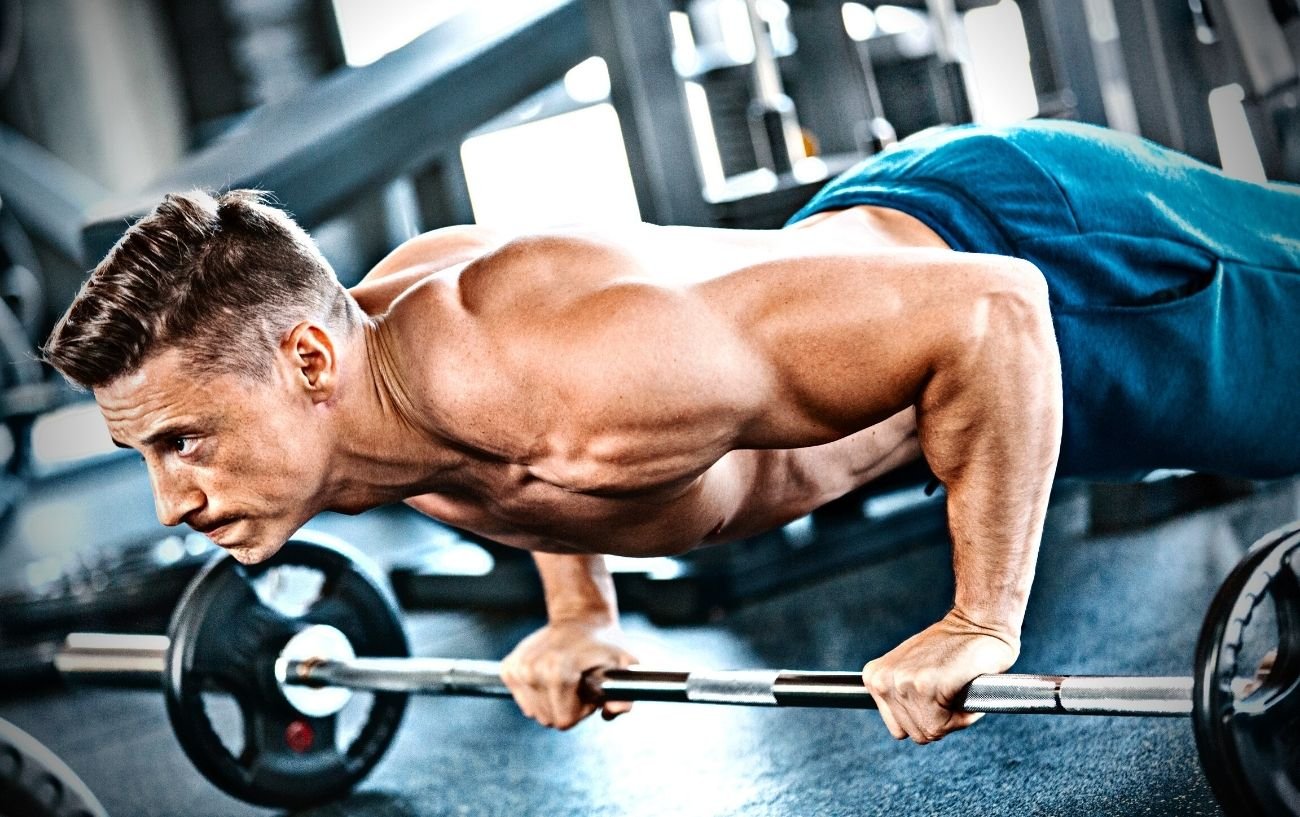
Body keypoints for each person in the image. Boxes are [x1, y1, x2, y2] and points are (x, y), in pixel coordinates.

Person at [42, 119, 1300, 745]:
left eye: (183, 442)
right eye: (145, 455)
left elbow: (993, 312)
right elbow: (499, 459)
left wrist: (981, 617)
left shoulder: (584, 369)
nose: (169, 503)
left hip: (1046, 258)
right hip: (908, 291)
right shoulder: (364, 397)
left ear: (306, 359)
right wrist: (579, 610)